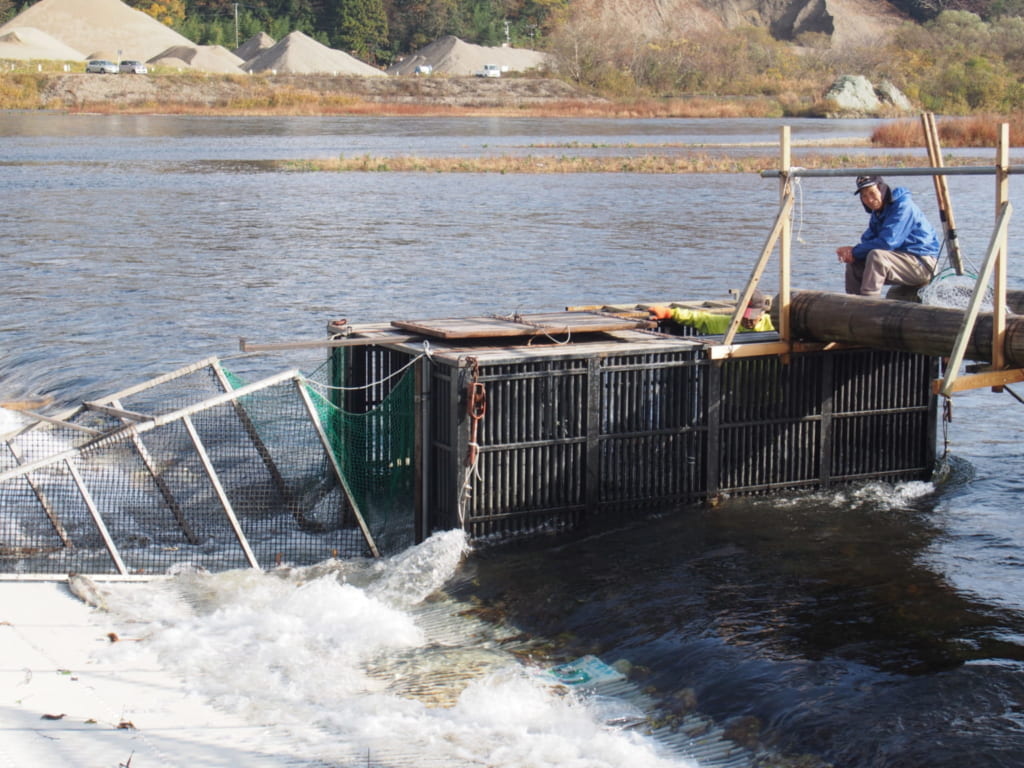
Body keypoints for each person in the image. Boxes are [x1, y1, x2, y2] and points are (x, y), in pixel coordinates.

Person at [837, 175, 940, 297]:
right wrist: (850, 253)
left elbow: (887, 243)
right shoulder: (878, 212)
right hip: (900, 261)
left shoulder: (902, 206)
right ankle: (851, 304)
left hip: (922, 264)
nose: (869, 199)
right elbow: (867, 240)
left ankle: (868, 305)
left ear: (882, 190)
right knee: (854, 263)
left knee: (876, 256)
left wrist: (854, 251)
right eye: (864, 196)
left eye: (872, 193)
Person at [648, 290, 775, 334]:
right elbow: (700, 318)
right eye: (744, 316)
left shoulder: (775, 324)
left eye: (752, 316)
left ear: (762, 313)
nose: (748, 320)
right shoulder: (725, 324)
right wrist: (670, 313)